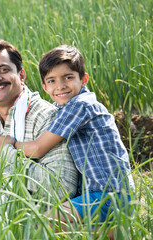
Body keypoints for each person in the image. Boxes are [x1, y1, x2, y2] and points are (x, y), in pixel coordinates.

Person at [16, 45, 134, 235]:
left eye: (68, 77)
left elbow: (38, 149)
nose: (60, 85)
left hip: (107, 195)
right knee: (59, 228)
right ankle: (111, 232)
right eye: (52, 80)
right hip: (97, 195)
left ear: (84, 79)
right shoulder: (65, 107)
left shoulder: (80, 105)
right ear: (45, 87)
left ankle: (117, 232)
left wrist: (10, 144)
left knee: (40, 225)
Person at [0, 40, 78, 200]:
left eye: (3, 70)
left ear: (21, 75)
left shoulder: (45, 116)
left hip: (34, 216)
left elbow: (63, 187)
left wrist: (5, 153)